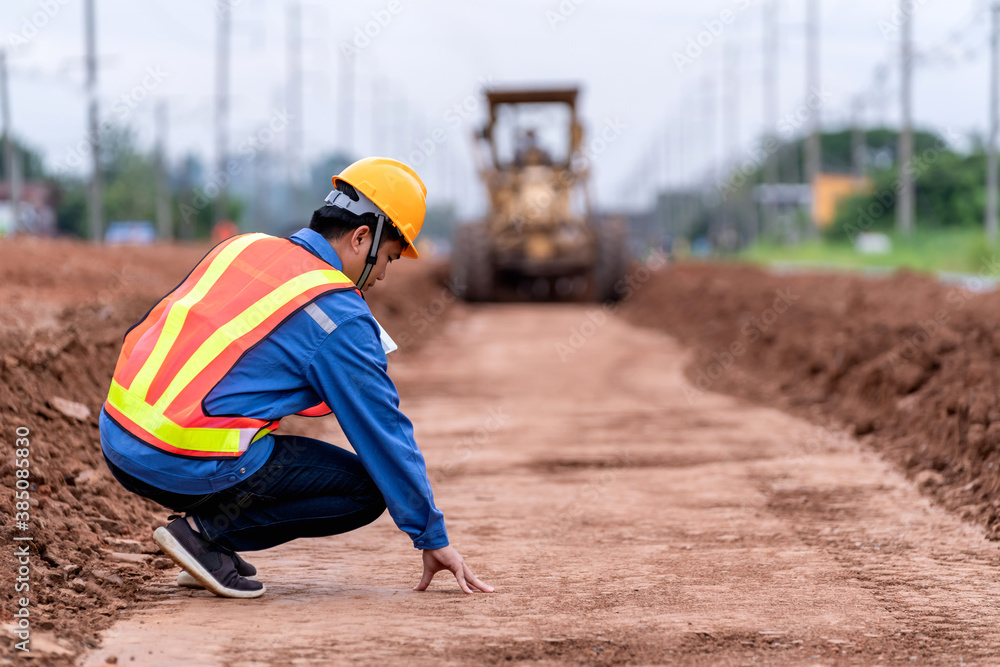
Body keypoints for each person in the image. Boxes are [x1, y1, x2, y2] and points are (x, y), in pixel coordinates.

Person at [99, 157, 493, 599]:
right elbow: (383, 431)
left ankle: (210, 542)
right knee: (366, 490)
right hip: (179, 458)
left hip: (119, 438)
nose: (382, 274)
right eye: (388, 258)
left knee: (251, 424)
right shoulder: (336, 311)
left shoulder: (243, 246)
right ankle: (203, 535)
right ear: (361, 238)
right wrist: (431, 535)